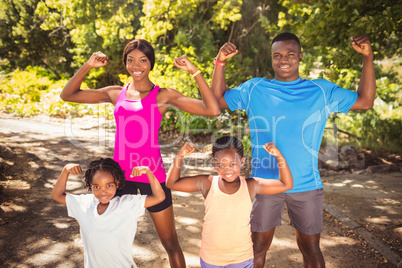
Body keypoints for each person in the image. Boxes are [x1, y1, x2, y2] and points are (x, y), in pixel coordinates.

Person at [211, 33, 376, 267]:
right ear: (271, 58)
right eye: (277, 55)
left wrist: (368, 57)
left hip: (306, 184)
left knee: (310, 249)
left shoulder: (321, 90)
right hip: (264, 184)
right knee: (256, 247)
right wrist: (220, 63)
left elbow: (366, 100)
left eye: (290, 54)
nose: (283, 59)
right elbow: (216, 100)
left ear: (300, 57)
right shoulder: (255, 88)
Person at [60, 39, 221, 267]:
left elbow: (212, 110)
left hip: (151, 176)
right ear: (125, 63)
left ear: (150, 63)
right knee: (106, 238)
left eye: (143, 60)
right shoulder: (116, 93)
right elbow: (68, 94)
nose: (137, 65)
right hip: (118, 179)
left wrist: (194, 71)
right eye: (131, 60)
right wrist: (88, 65)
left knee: (170, 243)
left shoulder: (163, 95)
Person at [166, 136, 293, 268]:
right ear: (215, 164)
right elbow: (171, 183)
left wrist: (279, 156)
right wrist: (180, 156)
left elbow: (286, 184)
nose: (227, 170)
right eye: (221, 165)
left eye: (232, 164)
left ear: (242, 162)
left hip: (242, 259)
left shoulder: (251, 185)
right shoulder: (207, 183)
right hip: (211, 259)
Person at [52, 158, 165, 268]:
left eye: (109, 185)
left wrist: (148, 172)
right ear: (90, 185)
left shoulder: (127, 204)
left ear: (117, 183)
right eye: (96, 186)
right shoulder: (84, 204)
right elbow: (57, 195)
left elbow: (159, 197)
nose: (103, 191)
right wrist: (66, 170)